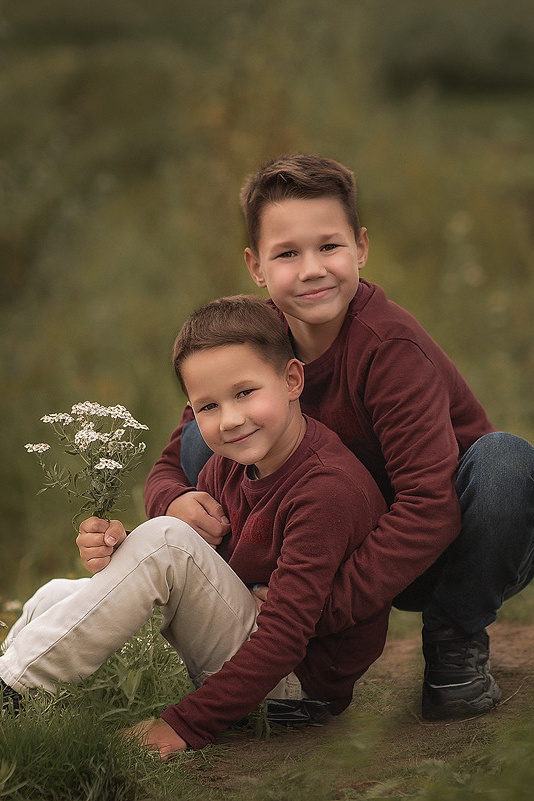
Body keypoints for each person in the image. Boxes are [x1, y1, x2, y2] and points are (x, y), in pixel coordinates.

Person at [144, 153, 534, 721]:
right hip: (320, 539)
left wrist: (320, 608)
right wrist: (173, 501)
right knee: (208, 440)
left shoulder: (389, 349)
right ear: (256, 266)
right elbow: (170, 463)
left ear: (361, 248)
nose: (311, 270)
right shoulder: (252, 340)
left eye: (329, 246)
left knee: (508, 462)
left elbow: (430, 508)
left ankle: (455, 638)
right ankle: (242, 625)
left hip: (445, 548)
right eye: (287, 254)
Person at [0, 295, 389, 756]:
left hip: (296, 685)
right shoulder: (233, 462)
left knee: (167, 541)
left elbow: (283, 637)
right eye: (207, 406)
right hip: (246, 638)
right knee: (53, 596)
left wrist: (183, 726)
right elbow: (199, 569)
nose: (230, 420)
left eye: (245, 393)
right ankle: (18, 704)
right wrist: (123, 550)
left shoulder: (325, 489)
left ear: (291, 379)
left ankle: (12, 691)